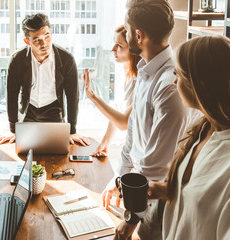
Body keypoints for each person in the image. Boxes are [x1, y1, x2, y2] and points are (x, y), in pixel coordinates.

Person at [101, 0, 197, 239]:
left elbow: (156, 165)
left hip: (158, 202)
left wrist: (131, 218)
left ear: (139, 35)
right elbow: (133, 133)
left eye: (126, 27)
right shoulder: (145, 70)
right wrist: (119, 179)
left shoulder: (169, 85)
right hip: (140, 194)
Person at [148, 36, 230, 240]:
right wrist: (165, 190)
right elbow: (201, 197)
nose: (175, 81)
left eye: (179, 74)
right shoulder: (203, 130)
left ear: (200, 84)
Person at [0, 13, 90, 146]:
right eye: (37, 40)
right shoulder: (17, 60)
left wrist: (72, 131)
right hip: (28, 112)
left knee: (56, 151)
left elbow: (73, 97)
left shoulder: (67, 59)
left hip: (53, 111)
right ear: (27, 41)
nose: (44, 44)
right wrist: (13, 129)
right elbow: (12, 95)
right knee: (24, 153)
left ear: (51, 32)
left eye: (47, 36)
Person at [84, 25, 141, 157]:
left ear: (133, 49)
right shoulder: (128, 74)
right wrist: (104, 143)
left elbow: (123, 123)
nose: (113, 50)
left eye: (119, 46)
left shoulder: (142, 80)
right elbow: (118, 113)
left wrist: (93, 97)